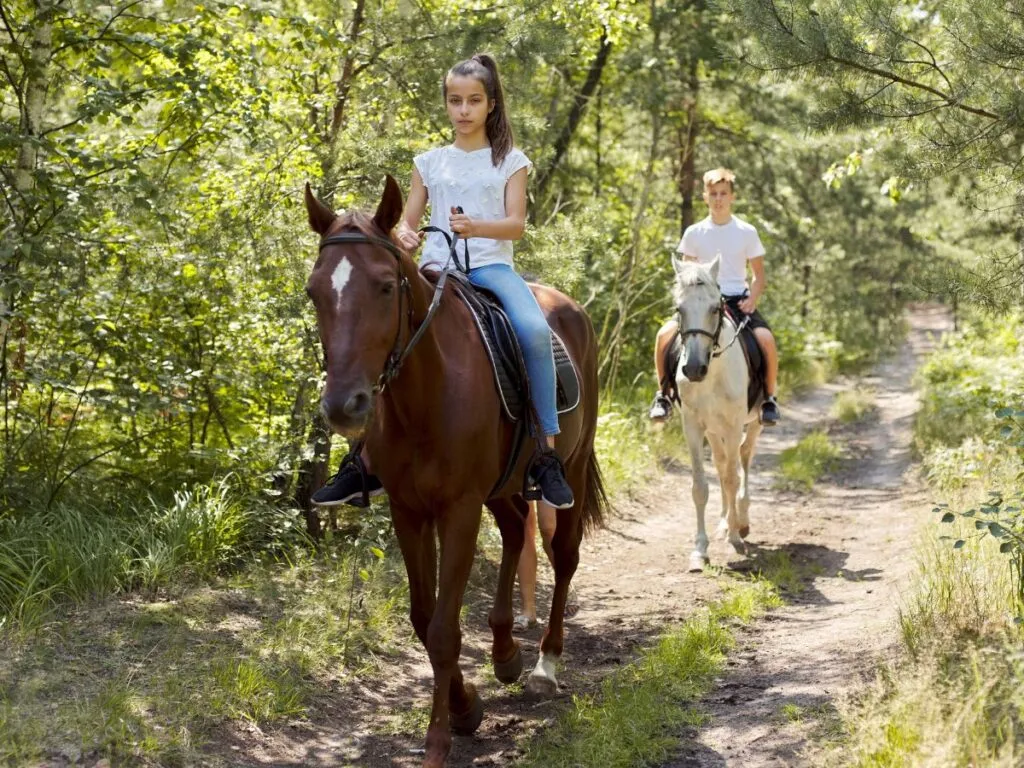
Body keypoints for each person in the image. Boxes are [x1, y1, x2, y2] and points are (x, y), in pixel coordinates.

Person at [311, 53, 574, 518]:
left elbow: (516, 226)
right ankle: (362, 460)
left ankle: (545, 454)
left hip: (491, 270)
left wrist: (476, 227)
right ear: (447, 104)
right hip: (435, 271)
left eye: (474, 101)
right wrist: (405, 235)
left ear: (491, 104)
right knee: (387, 339)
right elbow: (406, 226)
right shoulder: (429, 162)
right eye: (455, 101)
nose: (464, 110)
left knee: (533, 332)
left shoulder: (510, 161)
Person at [649, 167, 781, 425]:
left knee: (766, 339)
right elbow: (686, 277)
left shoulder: (746, 231)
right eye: (713, 194)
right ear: (705, 197)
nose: (718, 198)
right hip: (700, 305)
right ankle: (663, 395)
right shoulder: (694, 233)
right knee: (664, 335)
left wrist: (752, 300)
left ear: (732, 196)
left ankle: (769, 398)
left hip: (736, 301)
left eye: (723, 193)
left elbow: (758, 276)